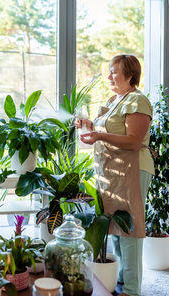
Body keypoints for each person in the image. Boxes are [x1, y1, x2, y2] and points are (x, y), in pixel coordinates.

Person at [75, 54, 154, 296]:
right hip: (114, 172)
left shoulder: (137, 101)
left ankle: (131, 289)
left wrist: (99, 136)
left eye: (114, 71)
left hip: (133, 170)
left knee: (130, 230)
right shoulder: (115, 100)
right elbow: (111, 130)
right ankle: (121, 283)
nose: (109, 75)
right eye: (109, 71)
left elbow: (132, 140)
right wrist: (90, 125)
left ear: (130, 75)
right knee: (119, 229)